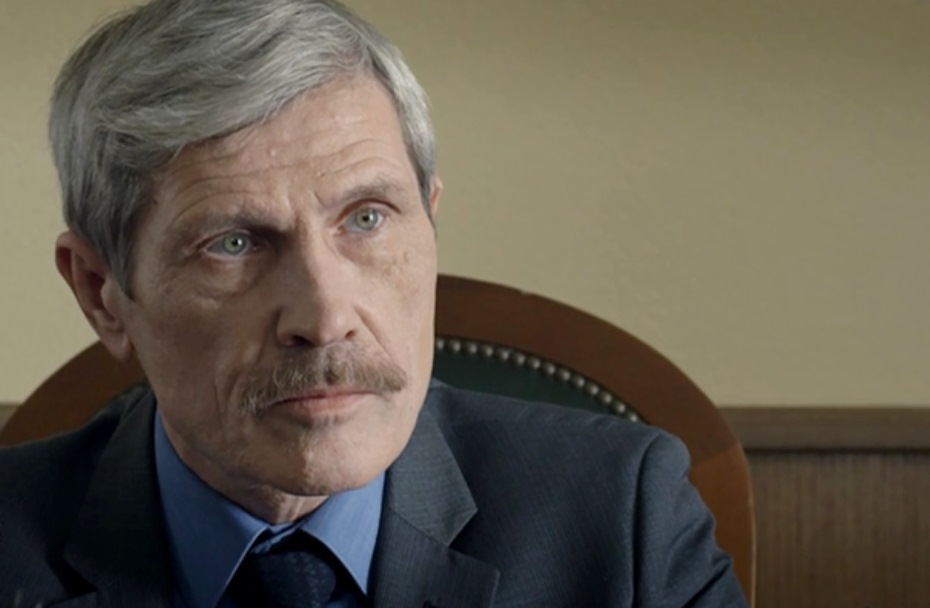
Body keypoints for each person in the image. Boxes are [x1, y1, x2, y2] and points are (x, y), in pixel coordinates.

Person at [0, 1, 747, 606]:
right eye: (233, 243)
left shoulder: (622, 522)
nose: (326, 320)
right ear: (101, 293)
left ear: (429, 222)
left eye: (366, 218)